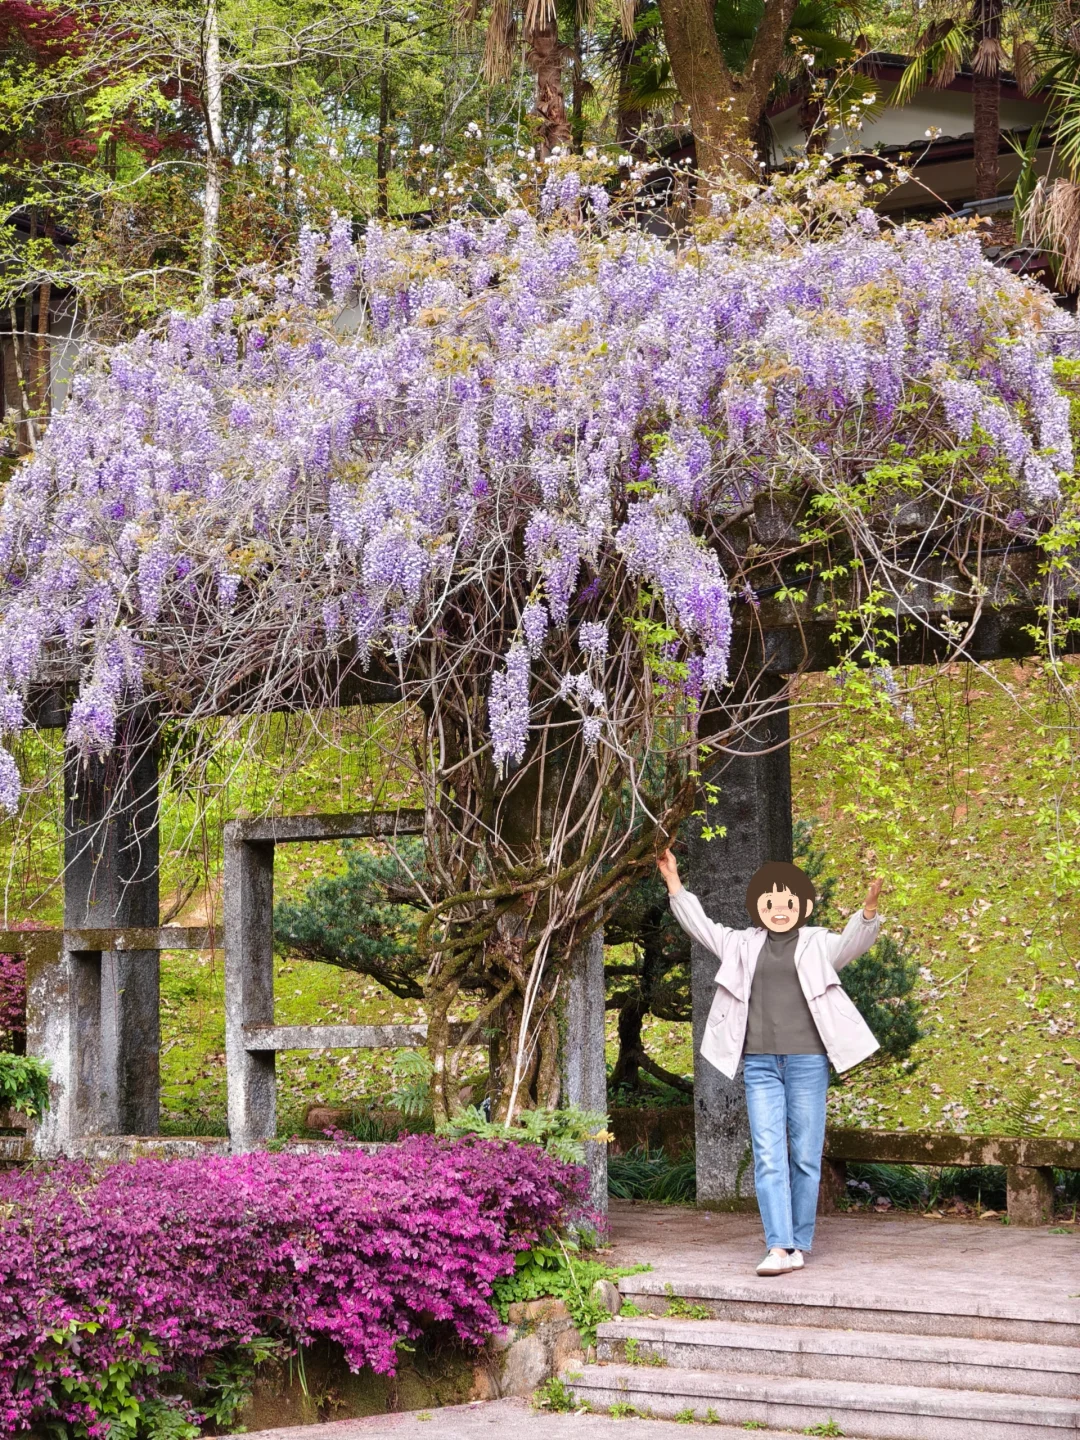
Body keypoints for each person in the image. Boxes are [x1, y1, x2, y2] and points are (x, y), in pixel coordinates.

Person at [657, 847, 883, 1277]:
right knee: (768, 1153)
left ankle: (798, 1243)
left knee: (805, 1154)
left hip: (807, 1061)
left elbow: (853, 944)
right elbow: (701, 927)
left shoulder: (818, 943)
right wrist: (674, 884)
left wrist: (867, 913)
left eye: (788, 903)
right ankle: (779, 1246)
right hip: (760, 1064)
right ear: (757, 907)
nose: (779, 910)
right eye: (770, 903)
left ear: (804, 906)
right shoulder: (741, 944)